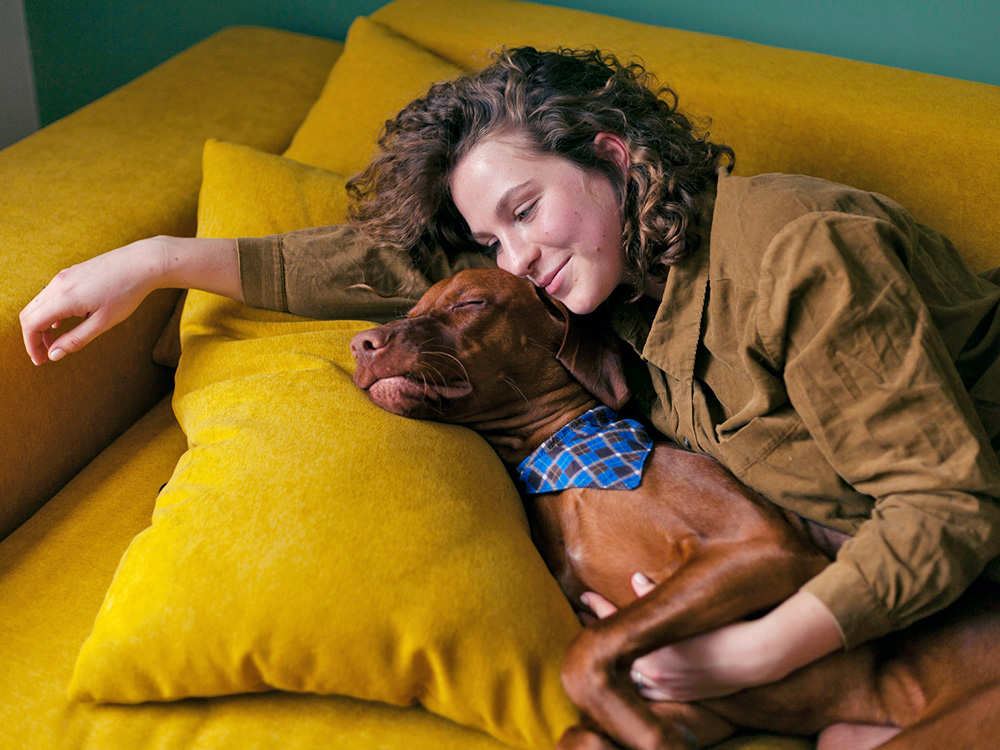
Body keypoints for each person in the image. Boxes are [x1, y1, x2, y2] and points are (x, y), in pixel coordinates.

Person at [20, 47, 1000, 709]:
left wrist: (751, 652)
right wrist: (153, 260)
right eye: (495, 236)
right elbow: (394, 271)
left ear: (615, 159)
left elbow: (947, 508)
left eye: (527, 209)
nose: (517, 257)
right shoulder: (597, 282)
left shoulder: (801, 255)